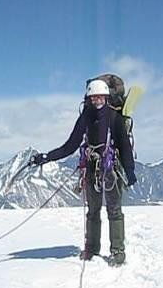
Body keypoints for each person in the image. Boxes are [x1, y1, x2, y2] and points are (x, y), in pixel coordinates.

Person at [32, 78, 137, 265]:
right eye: (94, 98)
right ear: (89, 99)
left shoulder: (115, 118)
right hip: (92, 168)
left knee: (114, 210)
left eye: (100, 97)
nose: (97, 101)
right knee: (93, 210)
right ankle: (92, 249)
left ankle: (118, 251)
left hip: (111, 168)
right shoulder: (86, 118)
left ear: (106, 97)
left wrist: (129, 171)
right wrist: (46, 157)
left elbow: (125, 146)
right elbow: (70, 146)